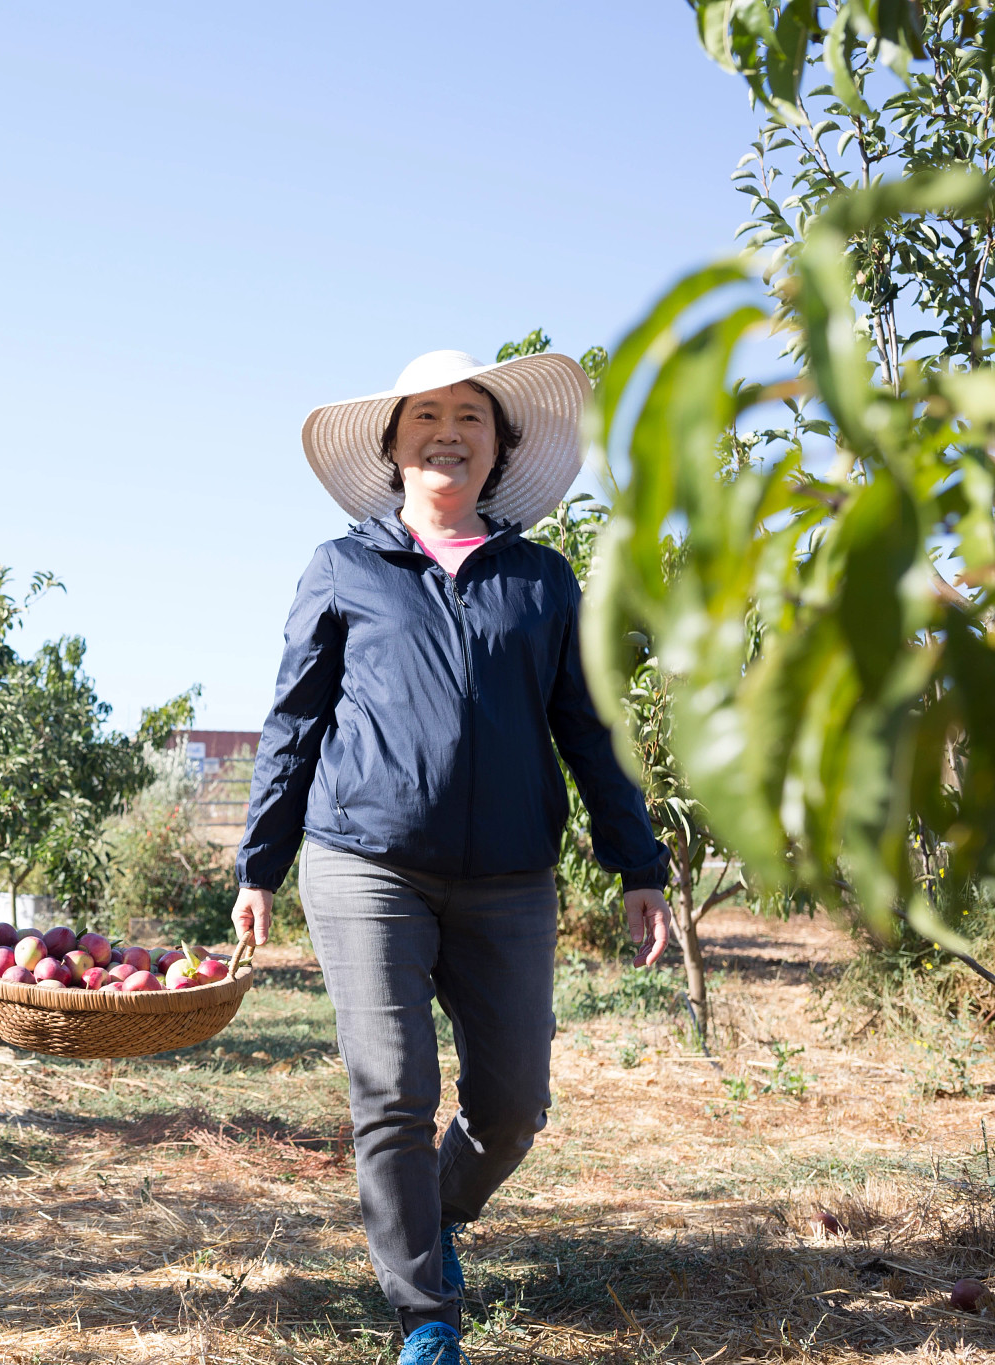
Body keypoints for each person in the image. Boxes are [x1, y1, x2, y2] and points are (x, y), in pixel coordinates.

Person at [230, 350, 673, 1365]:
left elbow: (588, 727)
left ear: (497, 448)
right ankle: (422, 1314)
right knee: (391, 1091)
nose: (446, 430)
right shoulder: (342, 568)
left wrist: (635, 864)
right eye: (423, 414)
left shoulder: (540, 579)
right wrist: (258, 867)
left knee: (512, 1106)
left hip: (510, 876)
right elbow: (293, 723)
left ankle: (431, 1216)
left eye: (470, 415)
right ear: (391, 447)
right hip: (364, 863)